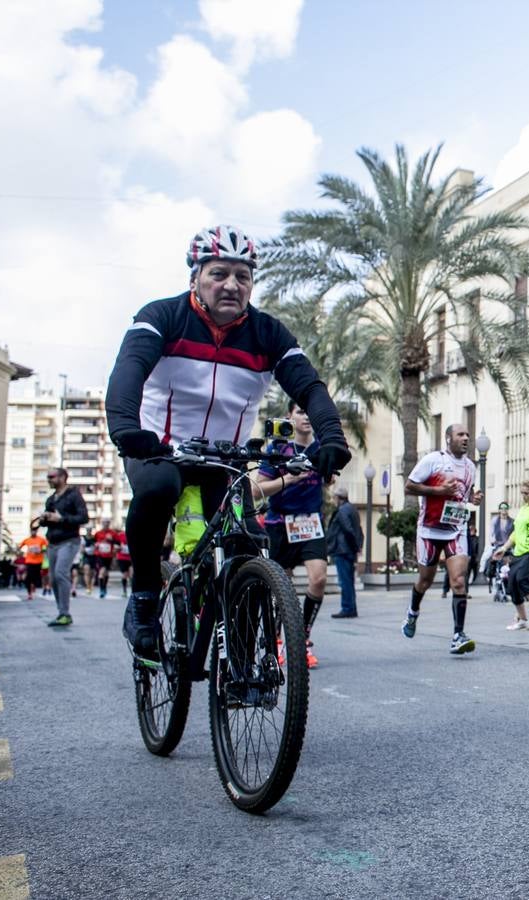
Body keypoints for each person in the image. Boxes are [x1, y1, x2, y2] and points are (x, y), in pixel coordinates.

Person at [106, 225, 350, 663]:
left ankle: (241, 662)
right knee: (159, 488)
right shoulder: (162, 317)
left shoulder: (267, 333)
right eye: (219, 273)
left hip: (225, 460)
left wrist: (331, 436)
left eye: (243, 276)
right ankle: (144, 598)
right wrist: (126, 430)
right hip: (160, 448)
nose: (232, 285)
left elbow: (310, 388)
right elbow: (128, 372)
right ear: (195, 277)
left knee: (250, 544)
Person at [252, 400, 331, 669]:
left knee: (318, 579)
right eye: (300, 411)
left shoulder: (321, 447)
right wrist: (290, 479)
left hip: (311, 522)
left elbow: (329, 477)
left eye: (310, 411)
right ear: (290, 417)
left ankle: (302, 637)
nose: (306, 416)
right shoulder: (278, 448)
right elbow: (256, 490)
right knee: (280, 588)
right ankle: (274, 638)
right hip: (279, 524)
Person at [401, 423, 480, 655]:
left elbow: (466, 493)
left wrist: (474, 498)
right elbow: (409, 487)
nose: (465, 437)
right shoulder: (433, 460)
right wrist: (438, 492)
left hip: (456, 529)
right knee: (425, 580)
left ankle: (458, 635)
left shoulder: (470, 467)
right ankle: (413, 613)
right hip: (429, 530)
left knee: (458, 580)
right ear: (448, 438)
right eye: (460, 434)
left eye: (467, 434)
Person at [493, 480, 529, 632]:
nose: (523, 496)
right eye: (522, 493)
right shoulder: (523, 509)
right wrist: (504, 548)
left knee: (522, 579)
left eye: (527, 493)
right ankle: (523, 620)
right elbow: (515, 533)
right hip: (519, 552)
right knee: (512, 586)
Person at [36, 468, 88, 627]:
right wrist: (44, 518)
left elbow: (83, 517)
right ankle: (61, 613)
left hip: (69, 540)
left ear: (63, 477)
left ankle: (65, 613)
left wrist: (61, 519)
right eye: (48, 477)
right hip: (52, 542)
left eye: (51, 476)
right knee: (53, 579)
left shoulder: (73, 495)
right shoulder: (51, 499)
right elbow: (45, 521)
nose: (49, 479)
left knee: (60, 573)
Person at [327, 485, 364, 619]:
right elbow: (358, 530)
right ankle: (351, 608)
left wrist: (354, 546)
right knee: (349, 580)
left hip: (343, 549)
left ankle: (347, 608)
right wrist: (357, 547)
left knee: (345, 581)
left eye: (334, 497)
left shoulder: (342, 510)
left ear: (338, 498)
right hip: (349, 549)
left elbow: (348, 530)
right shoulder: (352, 509)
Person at [483, 501, 515, 592]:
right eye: (502, 508)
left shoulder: (512, 521)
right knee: (489, 560)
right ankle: (490, 575)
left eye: (506, 508)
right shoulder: (495, 520)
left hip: (509, 546)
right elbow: (491, 533)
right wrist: (492, 540)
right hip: (498, 545)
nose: (504, 510)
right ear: (499, 510)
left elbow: (515, 534)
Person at [90, 519, 120, 599]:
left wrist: (111, 540)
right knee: (101, 572)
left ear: (109, 524)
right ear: (102, 523)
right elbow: (93, 542)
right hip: (100, 555)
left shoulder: (113, 533)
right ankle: (101, 590)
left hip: (109, 556)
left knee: (106, 573)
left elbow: (118, 544)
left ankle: (104, 588)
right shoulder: (98, 533)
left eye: (107, 523)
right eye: (104, 523)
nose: (105, 524)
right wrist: (96, 545)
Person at [18, 526, 48, 601]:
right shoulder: (27, 540)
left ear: (36, 532)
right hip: (29, 561)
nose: (33, 532)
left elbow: (45, 548)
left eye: (34, 531)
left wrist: (40, 551)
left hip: (38, 561)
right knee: (29, 577)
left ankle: (34, 585)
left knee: (36, 576)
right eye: (32, 531)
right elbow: (19, 547)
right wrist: (19, 553)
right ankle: (29, 593)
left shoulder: (41, 540)